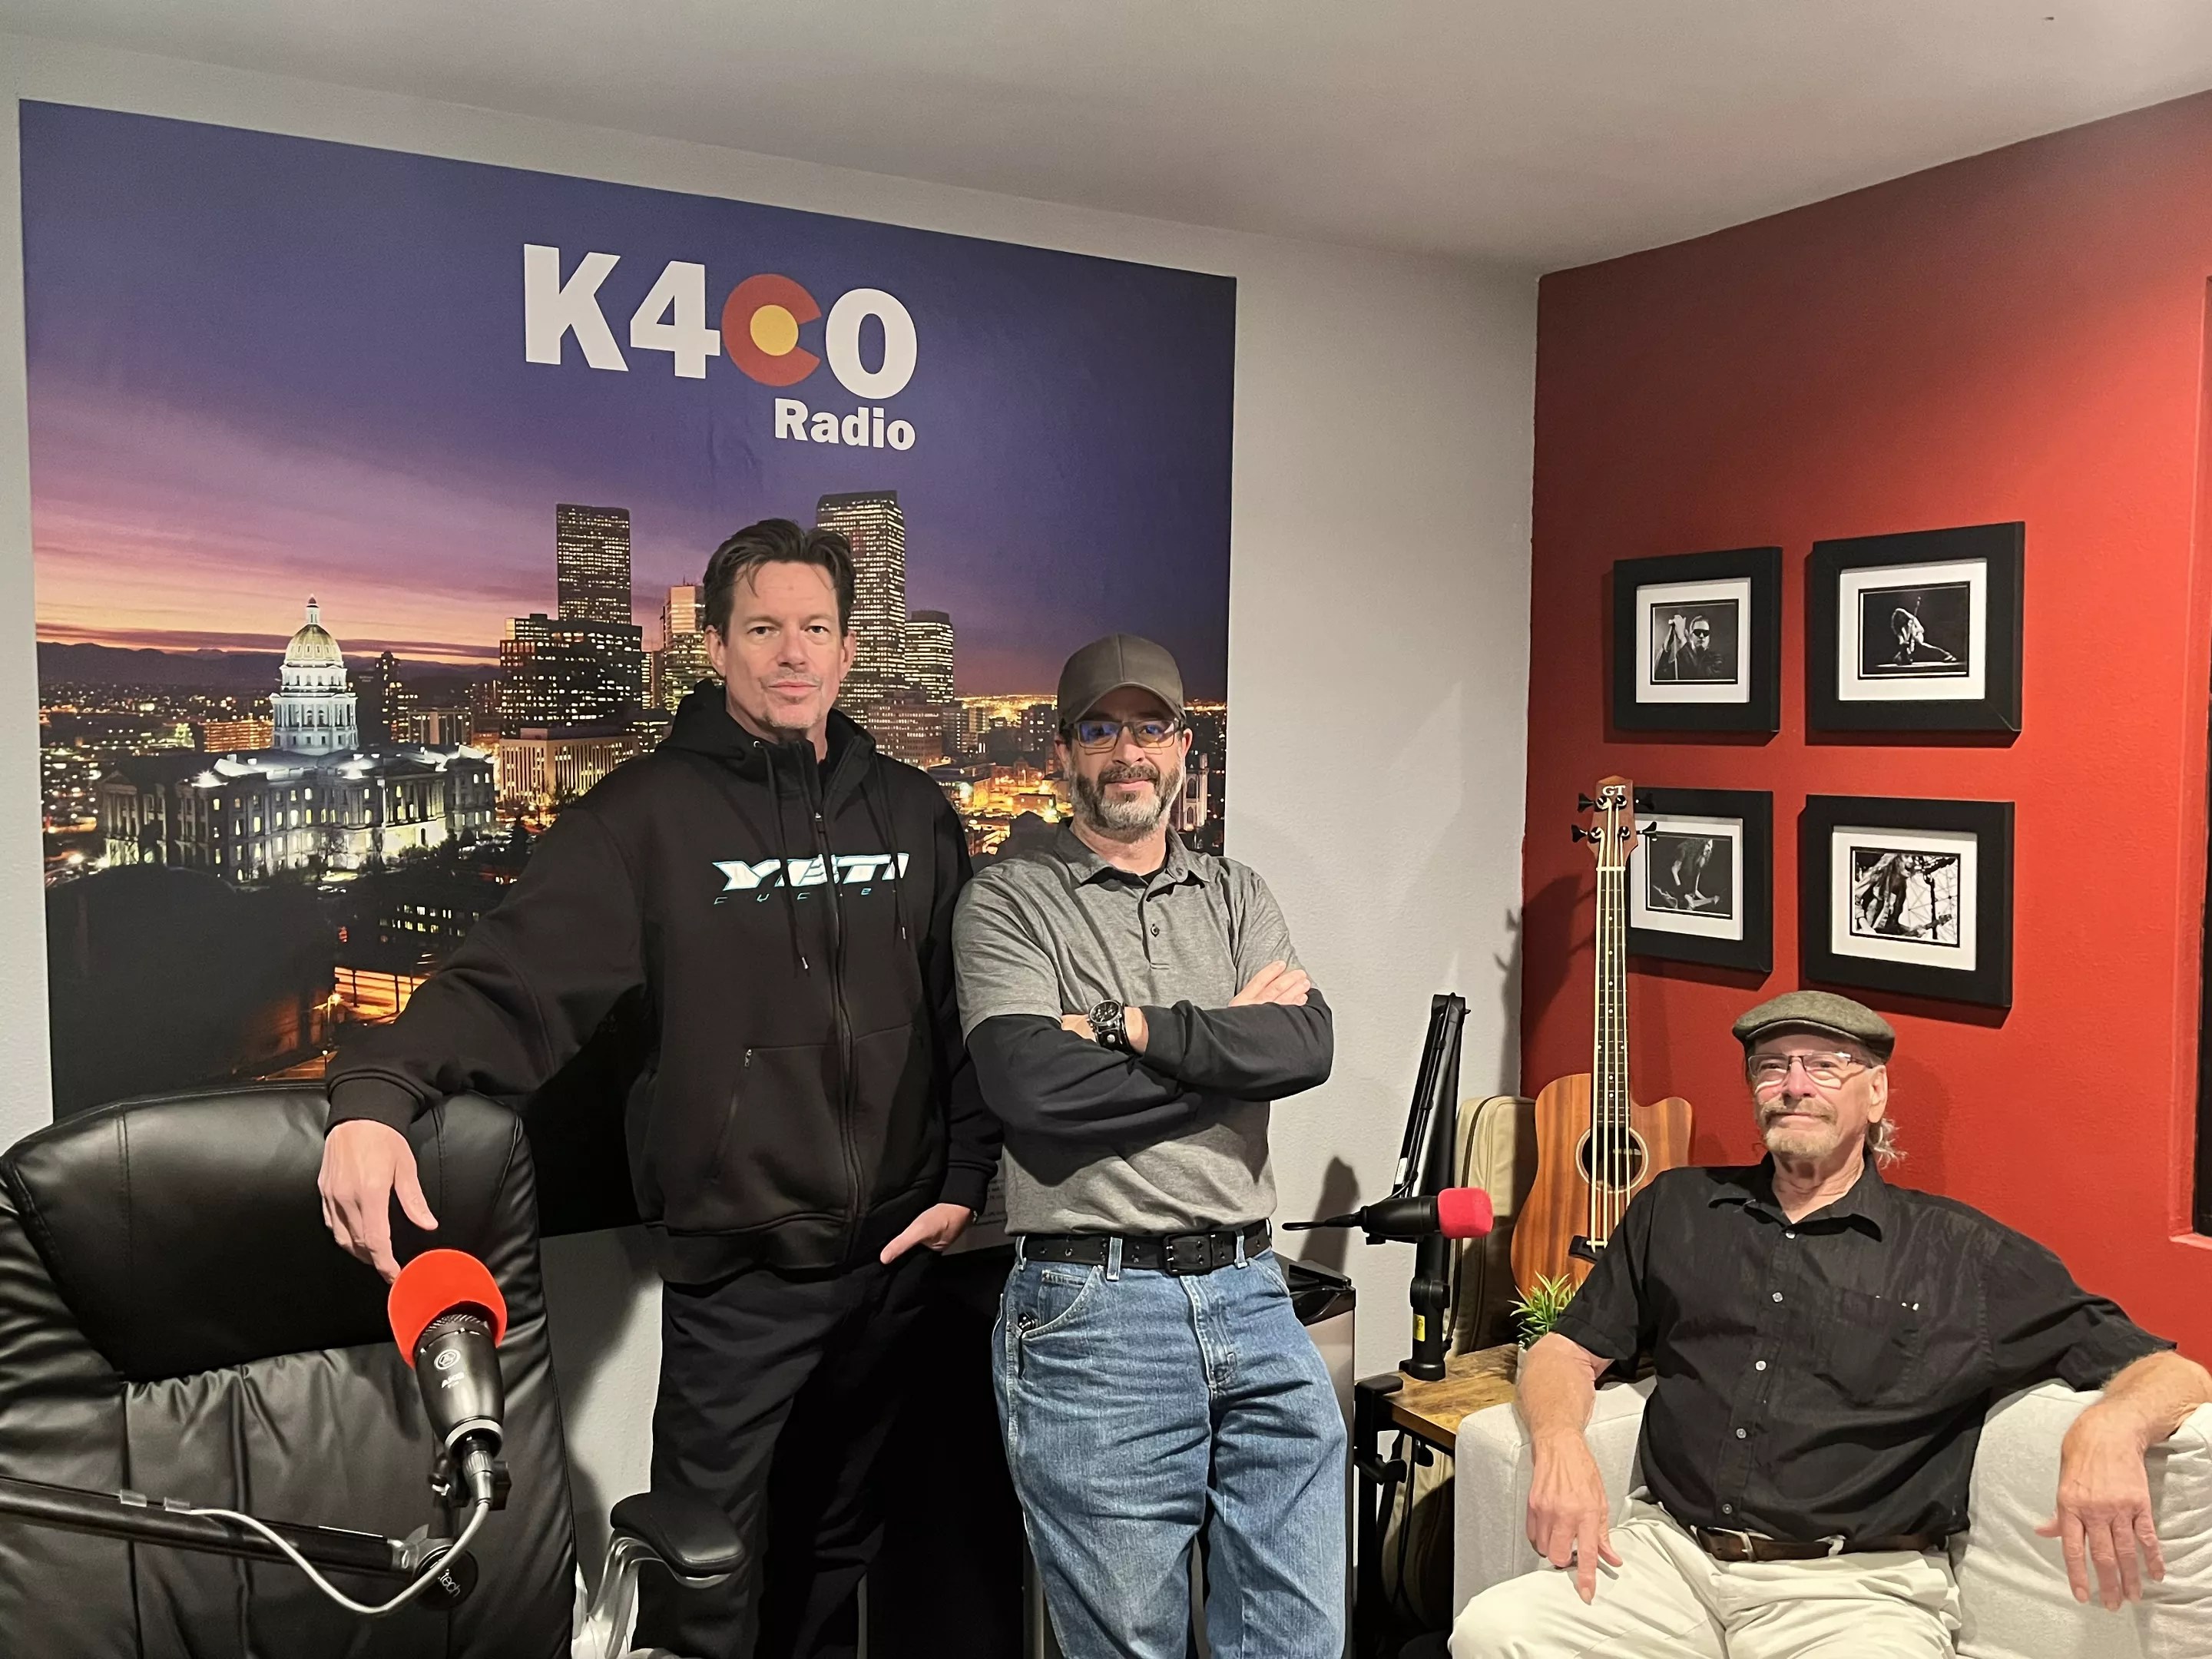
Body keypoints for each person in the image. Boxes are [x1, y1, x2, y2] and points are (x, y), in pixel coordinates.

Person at [316, 518, 995, 1659]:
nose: (792, 653)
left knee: (839, 1552)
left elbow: (958, 1010)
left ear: (847, 649)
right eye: (764, 628)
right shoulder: (645, 814)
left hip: (891, 1267)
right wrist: (376, 1095)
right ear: (717, 648)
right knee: (703, 1572)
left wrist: (965, 1176)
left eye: (815, 628)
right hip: (739, 1279)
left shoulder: (914, 811)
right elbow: (512, 977)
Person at [1453, 989, 2211, 1659]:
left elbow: (2171, 1371)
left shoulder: (1963, 1256)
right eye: (1772, 1066)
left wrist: (2111, 1428)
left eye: (1825, 1066)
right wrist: (1559, 1445)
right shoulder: (1677, 1209)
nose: (1793, 1086)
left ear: (1877, 1094)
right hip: (1667, 1563)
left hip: (1852, 1593)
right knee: (1495, 1631)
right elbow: (1569, 1348)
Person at [952, 634, 1346, 1658]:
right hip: (1095, 1315)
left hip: (1256, 1294)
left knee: (1301, 1638)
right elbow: (1030, 1091)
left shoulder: (1238, 895)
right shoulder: (1011, 900)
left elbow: (1306, 1045)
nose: (1128, 753)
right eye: (1099, 728)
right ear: (1064, 753)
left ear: (1183, 749)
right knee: (1130, 1646)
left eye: (1150, 727)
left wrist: (1129, 1026)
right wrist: (1227, 1055)